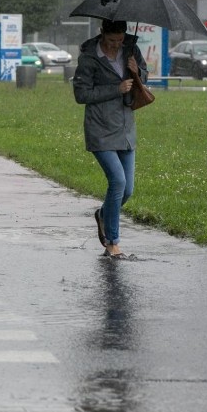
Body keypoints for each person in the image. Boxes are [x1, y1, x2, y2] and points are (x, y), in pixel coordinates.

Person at [72, 19, 148, 259]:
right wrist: (115, 89)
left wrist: (137, 72)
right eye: (112, 40)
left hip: (125, 127)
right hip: (100, 128)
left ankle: (103, 215)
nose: (117, 45)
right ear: (102, 34)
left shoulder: (130, 50)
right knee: (117, 183)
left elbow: (143, 79)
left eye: (120, 40)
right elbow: (81, 94)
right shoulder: (88, 58)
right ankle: (112, 242)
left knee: (128, 190)